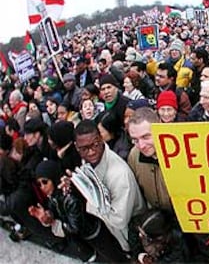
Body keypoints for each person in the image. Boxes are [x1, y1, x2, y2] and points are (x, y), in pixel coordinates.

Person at [61, 120, 147, 252]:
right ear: (76, 146)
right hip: (113, 232)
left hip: (132, 235)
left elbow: (119, 220)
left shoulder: (119, 175)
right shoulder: (88, 161)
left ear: (101, 139)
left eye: (94, 145)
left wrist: (86, 197)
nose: (90, 152)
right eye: (84, 149)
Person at [29, 160, 129, 262]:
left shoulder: (70, 197)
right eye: (39, 184)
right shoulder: (54, 196)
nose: (43, 187)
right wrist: (47, 216)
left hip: (94, 232)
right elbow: (57, 213)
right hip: (86, 236)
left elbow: (74, 227)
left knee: (115, 256)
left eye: (45, 182)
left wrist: (53, 223)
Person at [127, 107, 173, 212]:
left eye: (146, 137)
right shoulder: (134, 156)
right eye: (135, 140)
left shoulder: (180, 152)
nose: (141, 146)